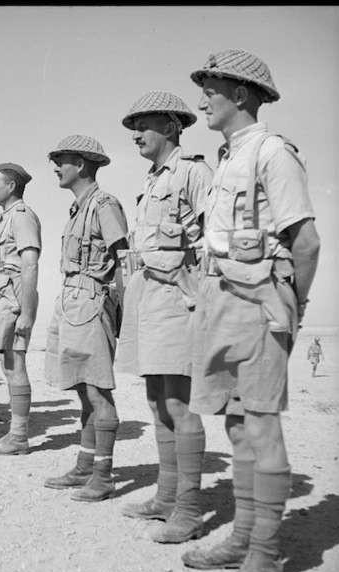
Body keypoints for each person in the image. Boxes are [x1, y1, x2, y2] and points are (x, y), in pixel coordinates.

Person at [181, 50, 321, 572]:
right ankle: (242, 538)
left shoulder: (272, 153)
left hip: (260, 302)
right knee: (237, 425)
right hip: (222, 299)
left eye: (210, 92)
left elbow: (305, 243)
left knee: (260, 426)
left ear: (239, 95)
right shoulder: (227, 157)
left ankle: (265, 558)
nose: (201, 102)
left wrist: (293, 308)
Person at [117, 91, 213, 542]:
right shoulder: (152, 182)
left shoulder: (194, 173)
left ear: (172, 127)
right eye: (133, 127)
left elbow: (214, 240)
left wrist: (205, 298)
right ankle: (166, 496)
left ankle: (190, 510)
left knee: (180, 403)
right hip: (149, 297)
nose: (136, 134)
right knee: (157, 402)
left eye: (144, 125)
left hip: (179, 297)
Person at [43, 135, 128, 502]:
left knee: (97, 389)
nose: (56, 167)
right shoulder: (79, 207)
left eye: (62, 160)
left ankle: (103, 475)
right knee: (82, 387)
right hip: (72, 300)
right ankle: (85, 465)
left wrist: (122, 316)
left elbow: (124, 261)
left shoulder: (104, 204)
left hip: (93, 302)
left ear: (81, 164)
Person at [0, 163, 41, 456]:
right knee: (8, 363)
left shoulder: (21, 217)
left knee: (15, 363)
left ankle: (19, 438)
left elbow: (30, 264)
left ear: (12, 187)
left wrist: (27, 314)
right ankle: (16, 435)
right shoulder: (6, 218)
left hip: (15, 295)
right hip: (4, 295)